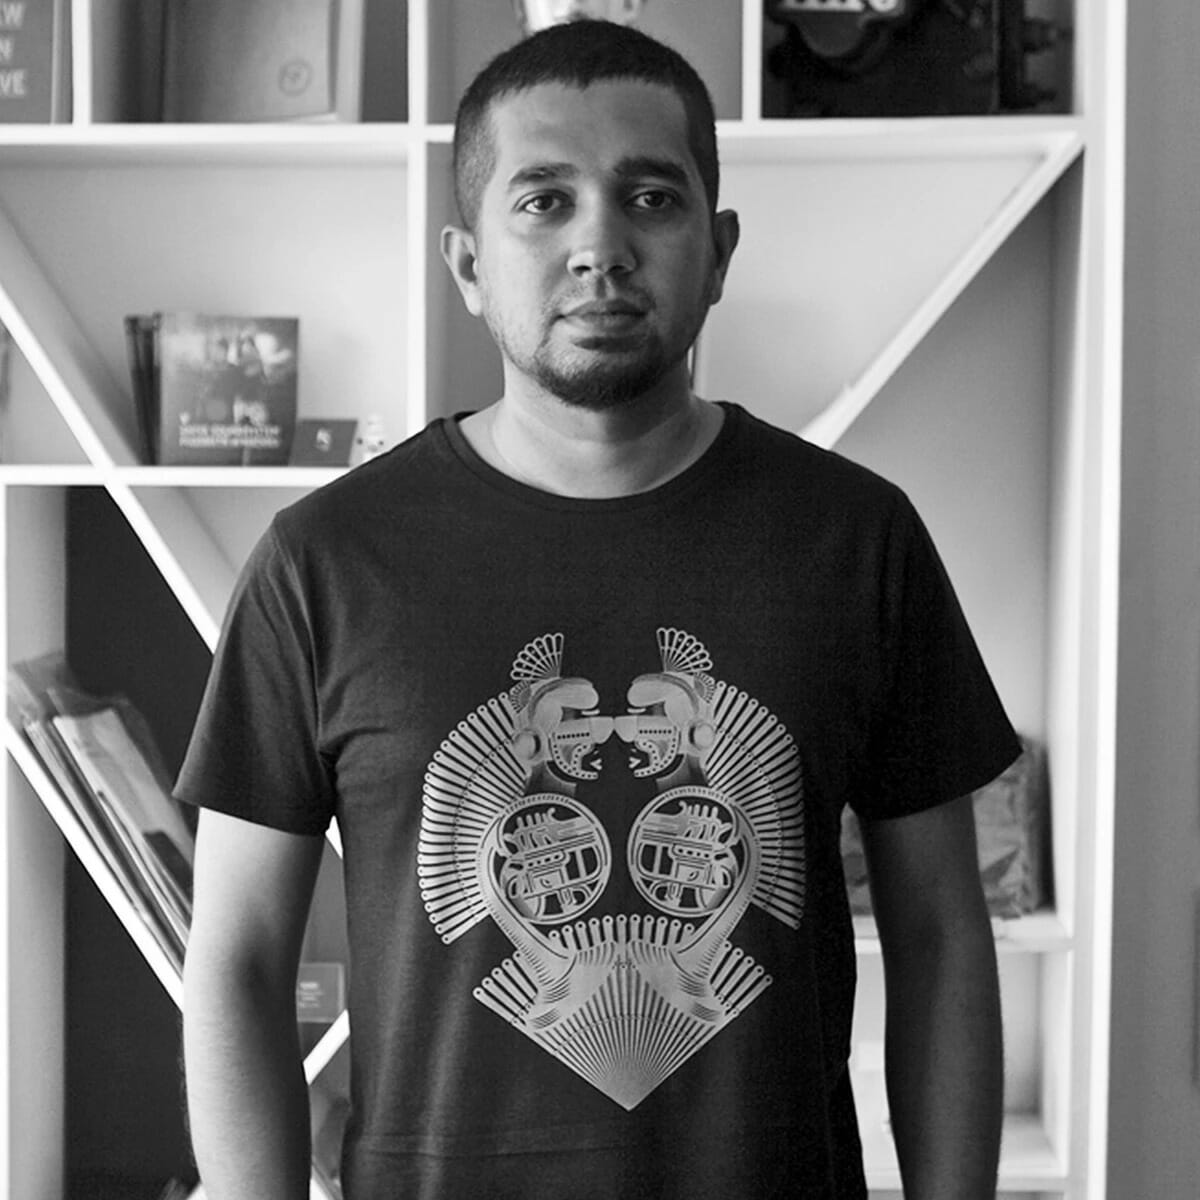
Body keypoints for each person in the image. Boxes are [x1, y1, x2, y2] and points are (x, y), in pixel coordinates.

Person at [179, 19, 1016, 1200]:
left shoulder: (858, 541)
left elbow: (938, 932)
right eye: (543, 202)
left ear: (717, 252)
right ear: (468, 263)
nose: (600, 247)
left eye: (651, 197)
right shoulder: (324, 562)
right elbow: (239, 961)